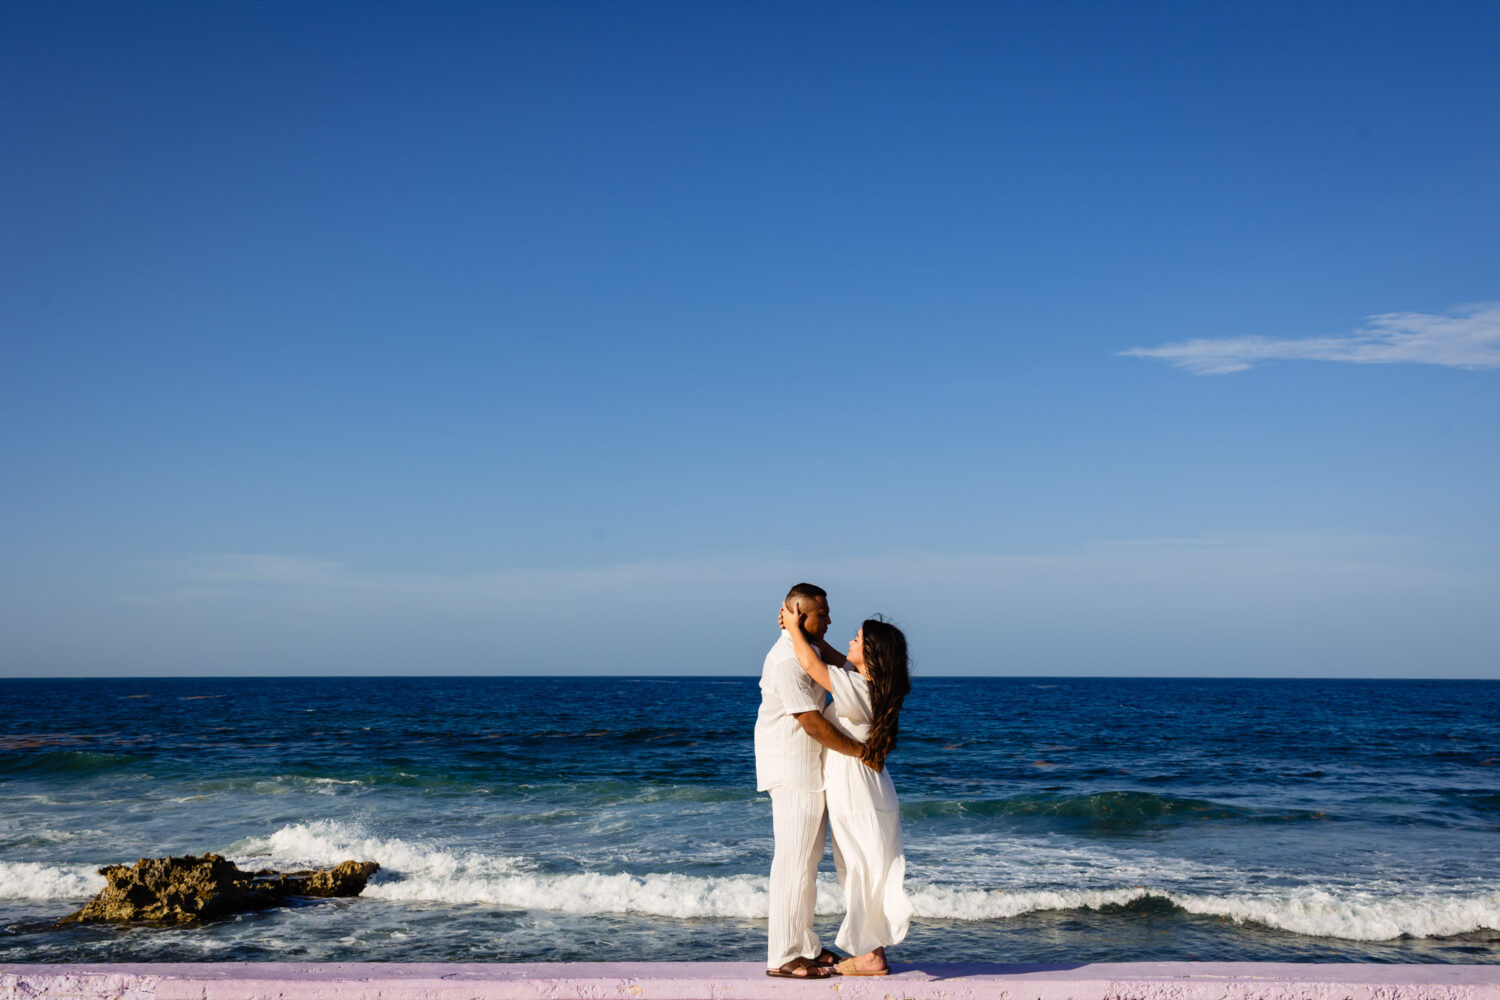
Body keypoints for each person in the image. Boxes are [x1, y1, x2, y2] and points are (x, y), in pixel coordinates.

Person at [778, 606, 914, 977]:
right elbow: (838, 659)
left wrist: (794, 628)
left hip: (857, 790)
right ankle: (873, 951)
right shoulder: (872, 685)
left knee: (858, 869)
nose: (849, 642)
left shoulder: (855, 687)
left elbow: (812, 666)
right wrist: (819, 639)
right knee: (866, 867)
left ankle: (872, 956)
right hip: (871, 788)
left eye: (857, 638)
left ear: (869, 655)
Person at [756, 583, 867, 980]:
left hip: (808, 769)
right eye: (823, 614)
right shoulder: (787, 660)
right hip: (792, 770)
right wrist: (861, 752)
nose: (832, 619)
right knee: (793, 863)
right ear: (801, 615)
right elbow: (812, 723)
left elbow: (847, 668)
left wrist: (799, 629)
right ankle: (784, 955)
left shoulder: (809, 649)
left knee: (806, 863)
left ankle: (805, 945)